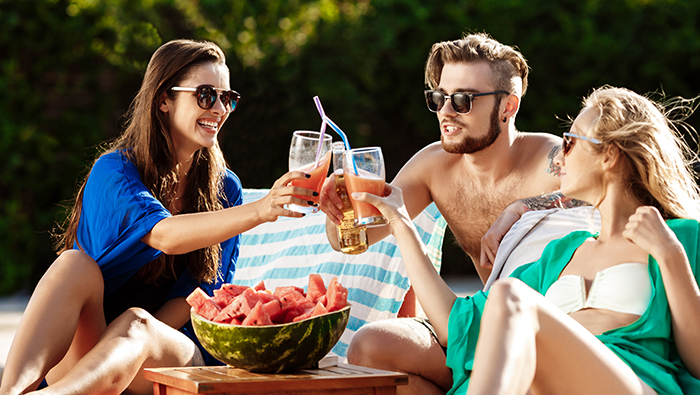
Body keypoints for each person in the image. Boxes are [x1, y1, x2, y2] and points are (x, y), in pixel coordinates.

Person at [0, 39, 317, 395]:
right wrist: (262, 210)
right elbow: (163, 234)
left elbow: (197, 296)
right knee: (72, 264)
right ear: (164, 99)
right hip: (86, 354)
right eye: (206, 95)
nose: (219, 109)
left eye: (227, 99)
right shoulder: (115, 171)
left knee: (137, 325)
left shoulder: (225, 189)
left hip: (172, 354)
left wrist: (124, 348)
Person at [354, 85, 700, 394]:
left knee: (510, 295)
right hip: (546, 383)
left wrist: (670, 256)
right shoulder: (562, 252)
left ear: (608, 156)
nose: (560, 155)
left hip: (630, 380)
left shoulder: (679, 237)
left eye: (571, 141)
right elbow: (457, 326)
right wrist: (400, 222)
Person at [320, 33, 582, 393]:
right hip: (470, 327)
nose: (445, 111)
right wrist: (339, 210)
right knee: (369, 347)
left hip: (542, 335)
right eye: (439, 98)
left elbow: (606, 194)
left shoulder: (550, 160)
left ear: (508, 106)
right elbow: (358, 237)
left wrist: (520, 208)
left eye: (463, 100)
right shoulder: (434, 167)